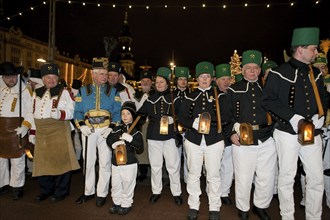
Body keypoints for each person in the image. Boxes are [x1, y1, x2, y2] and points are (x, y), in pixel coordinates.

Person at [261, 27, 328, 219]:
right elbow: (267, 100)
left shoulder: (315, 73)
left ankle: (314, 216)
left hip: (312, 134)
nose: (316, 52)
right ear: (301, 49)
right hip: (287, 133)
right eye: (314, 49)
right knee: (287, 178)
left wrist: (320, 116)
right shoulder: (278, 72)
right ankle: (287, 216)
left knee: (316, 178)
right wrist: (293, 117)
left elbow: (324, 97)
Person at [226, 50, 277, 220]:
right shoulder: (234, 89)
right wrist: (232, 133)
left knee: (266, 176)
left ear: (260, 69)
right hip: (243, 139)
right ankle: (243, 207)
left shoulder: (268, 88)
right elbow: (228, 115)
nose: (253, 71)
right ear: (242, 70)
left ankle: (260, 206)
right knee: (243, 176)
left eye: (256, 68)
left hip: (266, 137)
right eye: (249, 68)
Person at [178, 61, 228, 220]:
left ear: (212, 78)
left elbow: (227, 117)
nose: (205, 79)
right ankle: (193, 205)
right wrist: (193, 123)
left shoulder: (220, 96)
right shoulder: (190, 96)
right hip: (193, 139)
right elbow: (182, 118)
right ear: (197, 78)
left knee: (213, 174)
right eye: (201, 76)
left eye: (207, 76)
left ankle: (214, 206)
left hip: (214, 140)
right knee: (193, 173)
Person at [74, 57, 121, 207]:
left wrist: (111, 128)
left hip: (105, 130)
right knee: (88, 162)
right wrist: (82, 126)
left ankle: (102, 193)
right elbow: (77, 112)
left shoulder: (113, 91)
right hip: (88, 130)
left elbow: (118, 113)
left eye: (106, 74)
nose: (105, 77)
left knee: (105, 163)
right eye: (101, 74)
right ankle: (88, 191)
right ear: (93, 74)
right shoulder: (83, 90)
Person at [30, 63, 80, 203]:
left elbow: (72, 111)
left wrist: (60, 114)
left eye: (53, 77)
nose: (51, 80)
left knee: (62, 161)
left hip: (58, 129)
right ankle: (46, 190)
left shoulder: (64, 93)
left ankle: (61, 191)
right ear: (43, 78)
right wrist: (32, 132)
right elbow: (32, 113)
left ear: (58, 79)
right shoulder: (36, 92)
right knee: (43, 162)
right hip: (41, 130)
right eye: (47, 77)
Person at [137, 67, 183, 206]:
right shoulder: (150, 98)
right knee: (156, 166)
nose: (158, 84)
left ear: (168, 83)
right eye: (156, 82)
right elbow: (139, 114)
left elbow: (184, 115)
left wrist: (173, 120)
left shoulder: (175, 98)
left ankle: (177, 192)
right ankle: (156, 191)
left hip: (169, 136)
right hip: (153, 136)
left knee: (173, 166)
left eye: (161, 82)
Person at [0, 62, 33, 200]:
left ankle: (17, 186)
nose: (11, 80)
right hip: (1, 129)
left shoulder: (24, 90)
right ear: (2, 77)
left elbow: (30, 110)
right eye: (8, 77)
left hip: (16, 129)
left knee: (17, 159)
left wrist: (25, 125)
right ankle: (2, 184)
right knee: (0, 160)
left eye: (13, 76)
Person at [107, 101, 143, 215]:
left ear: (132, 115)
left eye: (128, 114)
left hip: (130, 163)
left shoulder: (136, 131)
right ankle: (116, 202)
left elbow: (140, 147)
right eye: (123, 114)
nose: (125, 116)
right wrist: (112, 144)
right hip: (116, 162)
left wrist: (131, 139)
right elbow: (109, 139)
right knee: (116, 183)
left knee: (127, 184)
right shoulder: (117, 128)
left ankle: (126, 203)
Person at [215, 63, 234, 206]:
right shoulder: (211, 95)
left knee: (228, 165)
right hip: (215, 134)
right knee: (215, 165)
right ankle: (214, 190)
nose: (226, 82)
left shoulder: (234, 93)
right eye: (223, 79)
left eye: (228, 78)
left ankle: (224, 192)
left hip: (231, 133)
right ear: (216, 81)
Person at [313, 52, 330, 209]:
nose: (320, 70)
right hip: (317, 129)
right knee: (317, 166)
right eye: (316, 67)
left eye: (322, 67)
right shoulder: (311, 83)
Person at [133, 69, 155, 182]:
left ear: (151, 82)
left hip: (152, 124)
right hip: (139, 125)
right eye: (143, 81)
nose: (145, 83)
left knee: (152, 148)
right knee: (141, 149)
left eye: (148, 80)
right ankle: (143, 172)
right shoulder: (135, 95)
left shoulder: (155, 95)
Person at [173, 66, 190, 183]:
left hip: (189, 129)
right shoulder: (172, 95)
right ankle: (175, 180)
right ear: (176, 81)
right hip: (176, 129)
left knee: (189, 156)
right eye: (180, 79)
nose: (183, 82)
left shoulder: (192, 94)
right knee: (175, 157)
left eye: (185, 79)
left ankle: (188, 180)